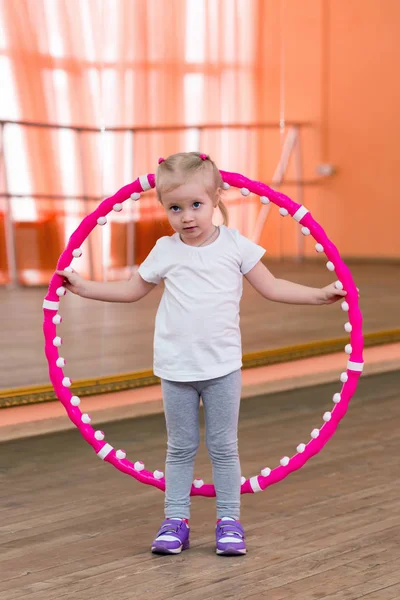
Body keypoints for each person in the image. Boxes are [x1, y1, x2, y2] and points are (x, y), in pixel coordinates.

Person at [57, 151, 347, 556]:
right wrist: (83, 286)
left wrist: (321, 295)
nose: (187, 216)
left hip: (222, 367)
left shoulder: (235, 246)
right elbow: (130, 291)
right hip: (176, 368)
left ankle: (229, 521)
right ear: (163, 208)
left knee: (224, 447)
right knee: (180, 446)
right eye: (175, 208)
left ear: (217, 199)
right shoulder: (165, 250)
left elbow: (273, 286)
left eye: (196, 205)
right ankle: (175, 520)